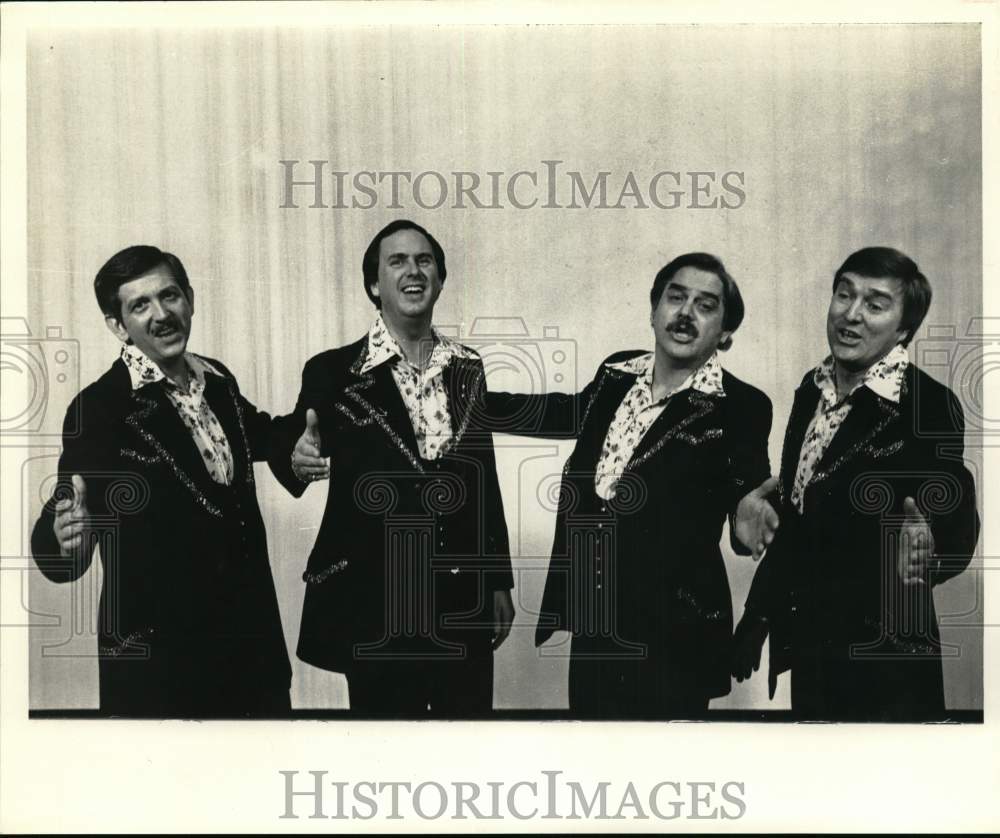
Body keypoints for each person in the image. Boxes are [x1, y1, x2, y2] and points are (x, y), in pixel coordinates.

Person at [485, 253, 774, 717]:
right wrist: (466, 403)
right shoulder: (617, 374)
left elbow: (748, 487)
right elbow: (565, 412)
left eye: (705, 305)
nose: (685, 313)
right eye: (675, 297)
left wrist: (746, 512)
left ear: (725, 333)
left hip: (675, 632)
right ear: (654, 310)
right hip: (595, 622)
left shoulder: (740, 405)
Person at [30, 245, 292, 717]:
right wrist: (64, 538)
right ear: (117, 325)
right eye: (140, 305)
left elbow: (265, 435)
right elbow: (68, 512)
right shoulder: (101, 409)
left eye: (169, 296)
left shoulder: (218, 381)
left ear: (190, 299)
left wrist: (308, 443)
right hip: (161, 671)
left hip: (253, 658)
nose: (161, 315)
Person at [271, 219, 515, 715]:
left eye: (425, 261)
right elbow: (299, 437)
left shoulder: (467, 366)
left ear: (440, 280)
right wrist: (297, 458)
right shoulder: (333, 371)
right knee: (383, 750)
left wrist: (497, 579)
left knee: (466, 746)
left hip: (461, 598)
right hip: (375, 602)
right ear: (373, 284)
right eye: (397, 261)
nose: (413, 271)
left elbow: (483, 479)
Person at [732, 246, 980, 721]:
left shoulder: (927, 403)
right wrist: (758, 616)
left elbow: (952, 496)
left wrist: (935, 541)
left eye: (875, 304)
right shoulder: (812, 388)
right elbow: (798, 520)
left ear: (903, 328)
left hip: (885, 658)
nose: (851, 315)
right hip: (812, 649)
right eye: (844, 295)